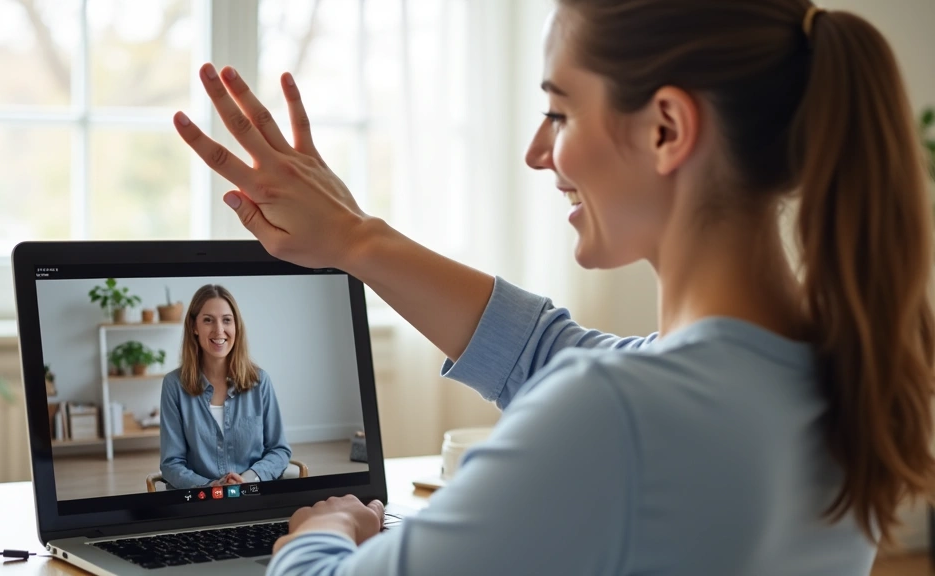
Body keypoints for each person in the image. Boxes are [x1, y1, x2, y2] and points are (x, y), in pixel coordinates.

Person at [174, 0, 935, 573]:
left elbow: (591, 393)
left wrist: (321, 532)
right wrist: (356, 238)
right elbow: (544, 351)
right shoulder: (832, 371)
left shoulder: (620, 414)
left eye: (558, 111)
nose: (539, 153)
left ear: (667, 129)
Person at [160, 284, 291, 489]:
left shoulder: (260, 381)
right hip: (200, 504)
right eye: (208, 320)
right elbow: (171, 463)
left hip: (252, 497)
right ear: (194, 327)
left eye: (227, 320)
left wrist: (247, 480)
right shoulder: (174, 385)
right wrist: (210, 486)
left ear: (236, 326)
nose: (219, 330)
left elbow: (279, 450)